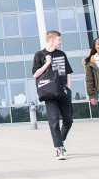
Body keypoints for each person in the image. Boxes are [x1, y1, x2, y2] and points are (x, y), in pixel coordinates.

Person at [32, 31, 74, 160]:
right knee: (54, 121)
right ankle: (59, 148)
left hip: (63, 90)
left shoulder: (61, 54)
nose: (60, 42)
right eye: (58, 40)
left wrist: (68, 87)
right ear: (51, 40)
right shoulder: (39, 55)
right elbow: (35, 74)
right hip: (49, 92)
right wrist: (47, 63)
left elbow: (68, 72)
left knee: (68, 120)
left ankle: (60, 140)